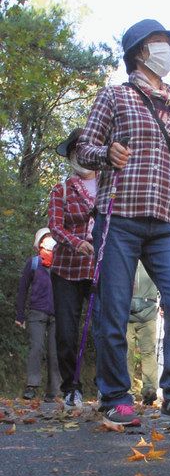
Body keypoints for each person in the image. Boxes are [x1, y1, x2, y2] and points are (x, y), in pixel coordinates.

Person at [75, 18, 170, 426]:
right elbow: (84, 149)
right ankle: (115, 396)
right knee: (115, 308)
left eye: (169, 44)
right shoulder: (114, 96)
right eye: (159, 42)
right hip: (119, 215)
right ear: (140, 51)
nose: (167, 50)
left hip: (167, 222)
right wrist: (107, 153)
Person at [48, 128, 98, 409]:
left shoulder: (112, 186)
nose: (81, 155)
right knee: (67, 331)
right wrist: (76, 242)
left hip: (101, 268)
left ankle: (108, 388)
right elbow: (55, 226)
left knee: (106, 328)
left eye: (85, 148)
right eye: (75, 150)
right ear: (71, 156)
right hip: (67, 268)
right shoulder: (61, 189)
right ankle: (71, 388)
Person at [15, 228, 61, 401]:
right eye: (46, 238)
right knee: (36, 348)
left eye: (52, 237)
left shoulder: (60, 264)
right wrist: (20, 315)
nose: (50, 240)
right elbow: (22, 289)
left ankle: (54, 391)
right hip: (36, 312)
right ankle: (32, 386)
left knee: (54, 352)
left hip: (57, 314)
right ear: (40, 242)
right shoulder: (33, 263)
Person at [127, 262, 159, 405]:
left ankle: (149, 390)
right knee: (128, 352)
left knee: (146, 352)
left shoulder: (152, 254)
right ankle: (127, 390)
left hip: (147, 311)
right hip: (128, 312)